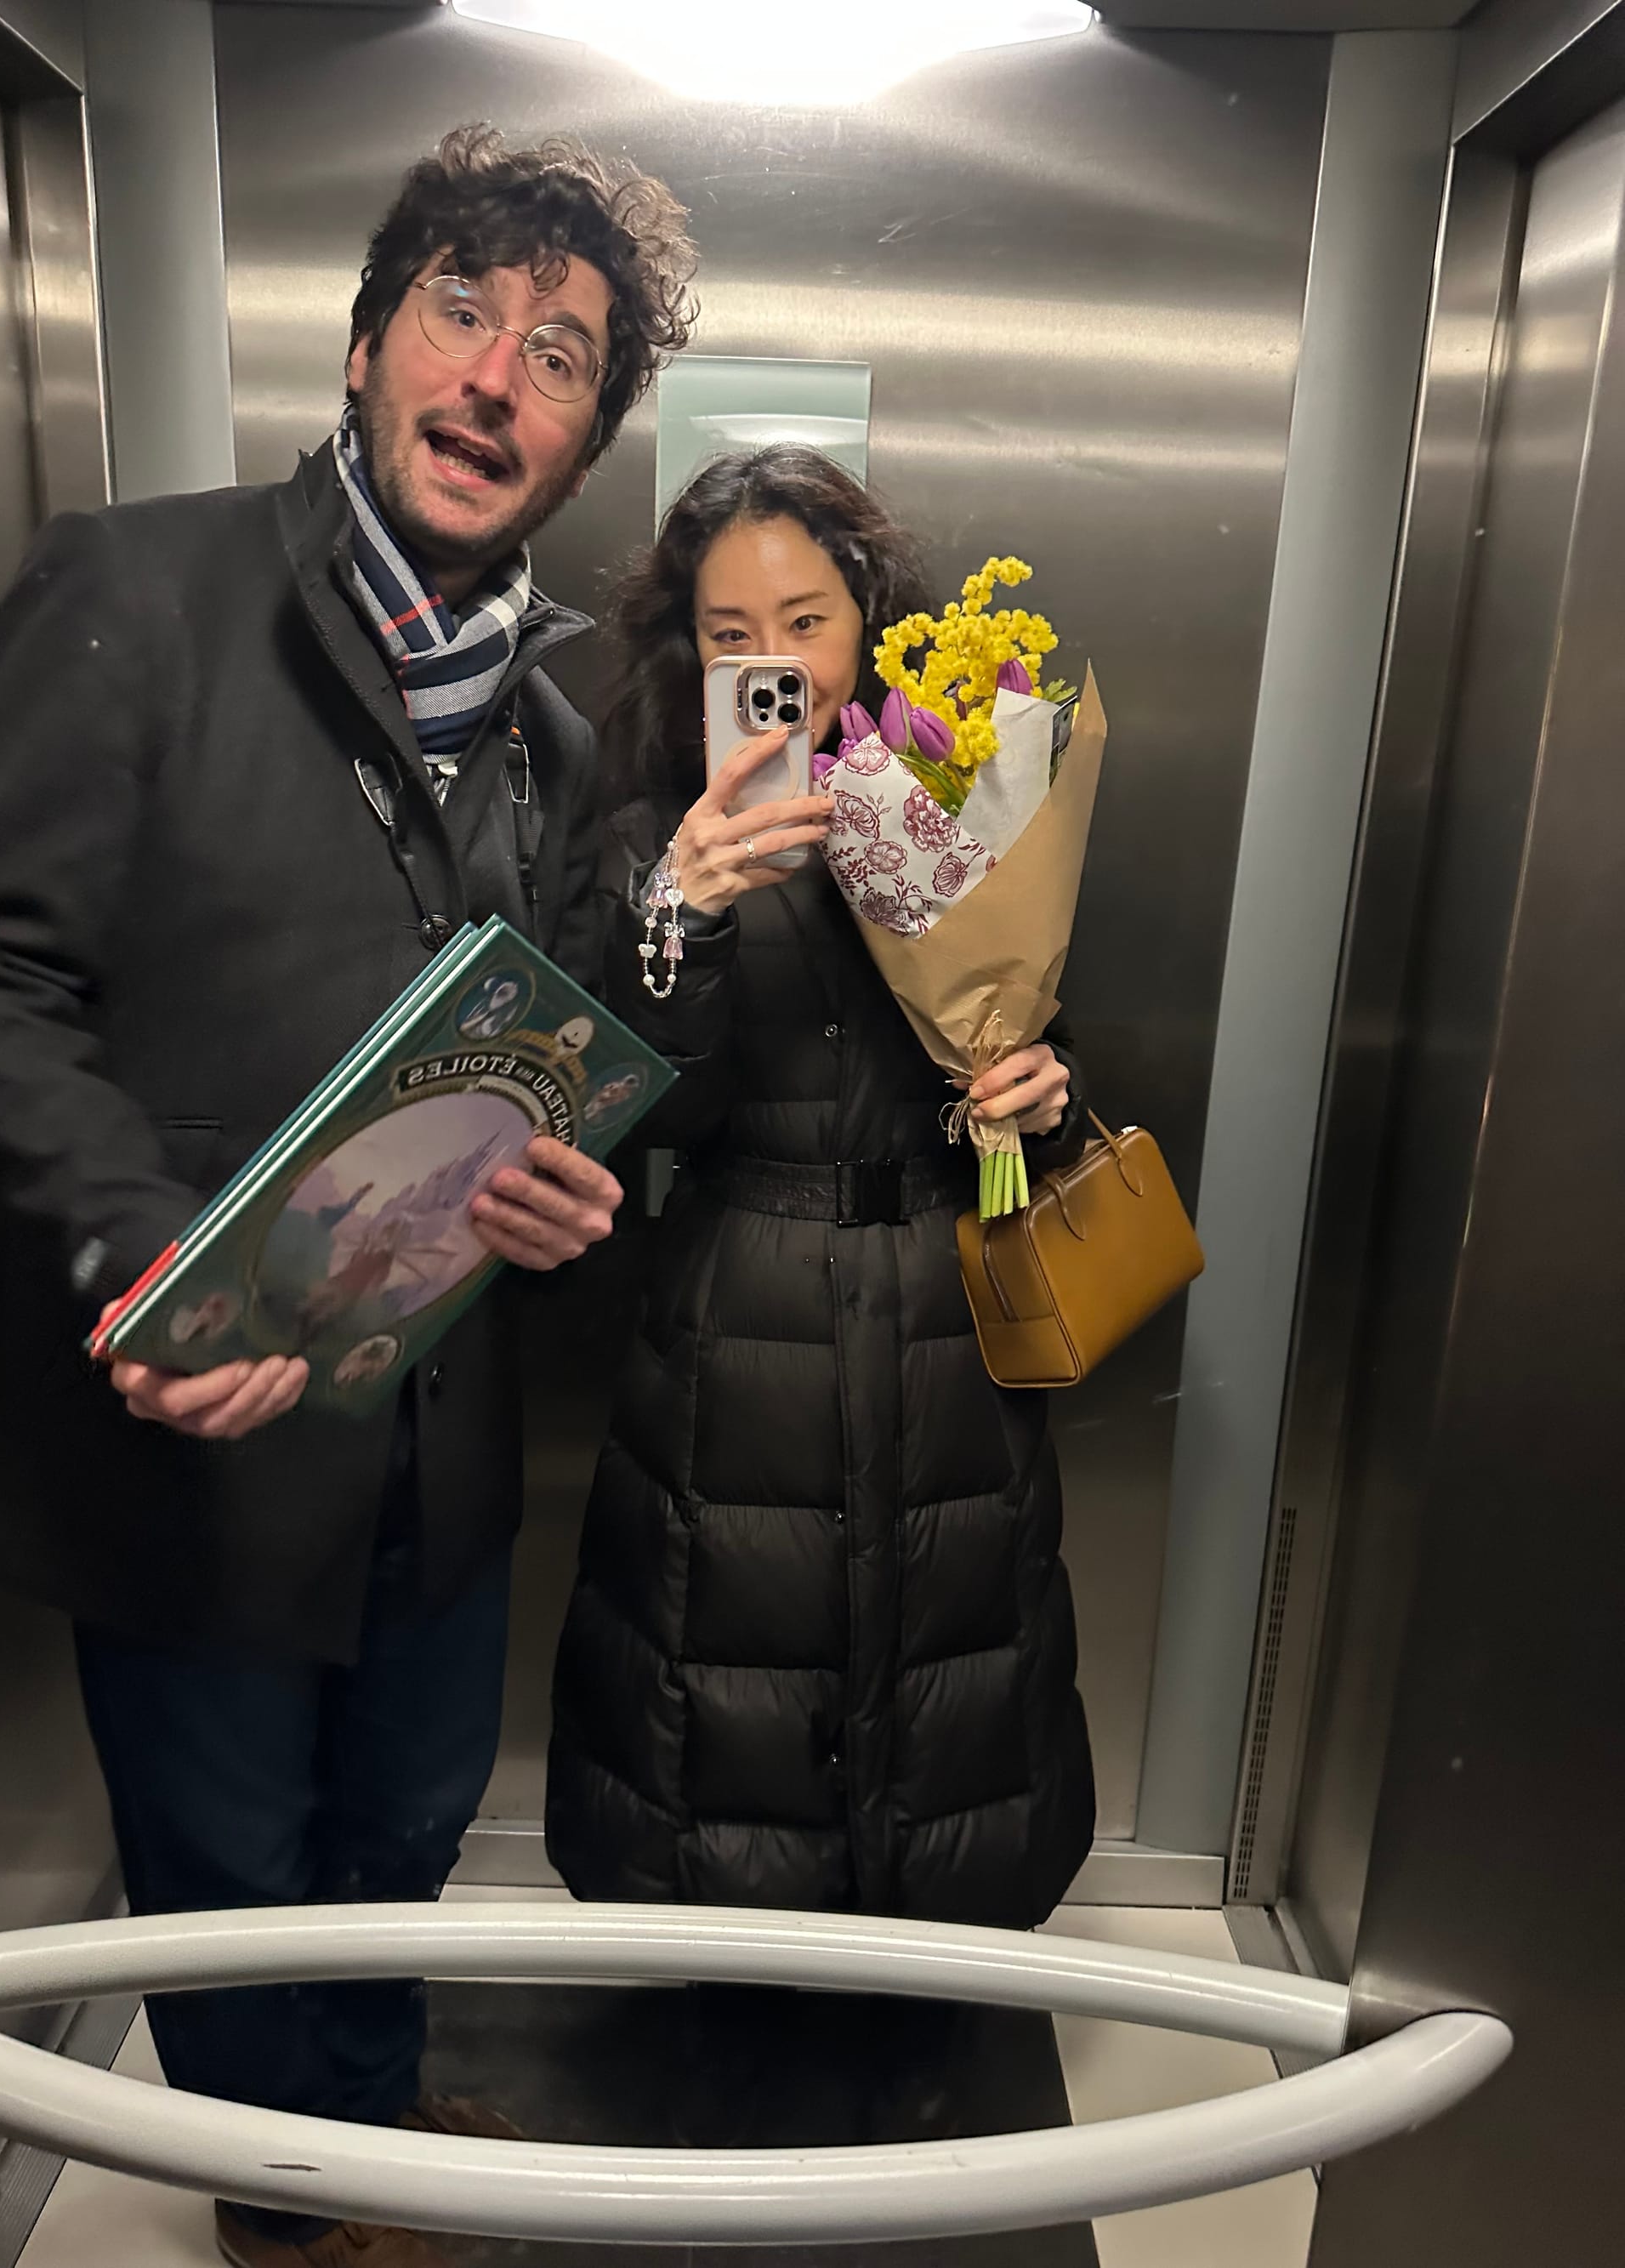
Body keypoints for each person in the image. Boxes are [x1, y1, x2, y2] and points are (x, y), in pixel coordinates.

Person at [0, 128, 696, 2268]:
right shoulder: (136, 592)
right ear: (365, 348)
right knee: (228, 1860)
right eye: (460, 310)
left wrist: (557, 1189)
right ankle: (287, 2217)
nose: (497, 378)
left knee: (401, 1829)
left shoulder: (551, 729)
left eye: (560, 357)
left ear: (581, 443)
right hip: (201, 1425)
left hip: (441, 1439)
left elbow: (517, 1058)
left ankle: (357, 2129)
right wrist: (133, 1242)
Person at [545, 446, 1098, 2134]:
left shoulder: (965, 791)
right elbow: (633, 1111)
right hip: (741, 1310)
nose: (774, 657)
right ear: (689, 652)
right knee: (725, 1666)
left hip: (944, 1308)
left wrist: (1041, 1098)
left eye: (806, 618)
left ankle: (923, 2010)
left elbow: (1045, 1034)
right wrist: (685, 911)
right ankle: (733, 2016)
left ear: (870, 615)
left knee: (944, 1660)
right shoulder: (654, 831)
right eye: (732, 633)